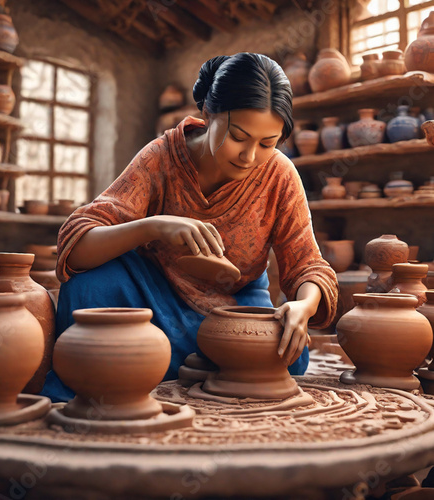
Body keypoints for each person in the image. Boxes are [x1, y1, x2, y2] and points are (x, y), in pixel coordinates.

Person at [42, 52, 338, 402]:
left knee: (286, 349)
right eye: (239, 136)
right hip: (152, 297)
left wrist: (302, 307)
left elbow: (308, 264)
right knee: (89, 288)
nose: (249, 156)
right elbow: (76, 244)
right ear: (208, 114)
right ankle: (194, 367)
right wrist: (152, 227)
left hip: (233, 306)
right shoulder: (162, 156)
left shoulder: (280, 175)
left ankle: (158, 365)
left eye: (267, 143)